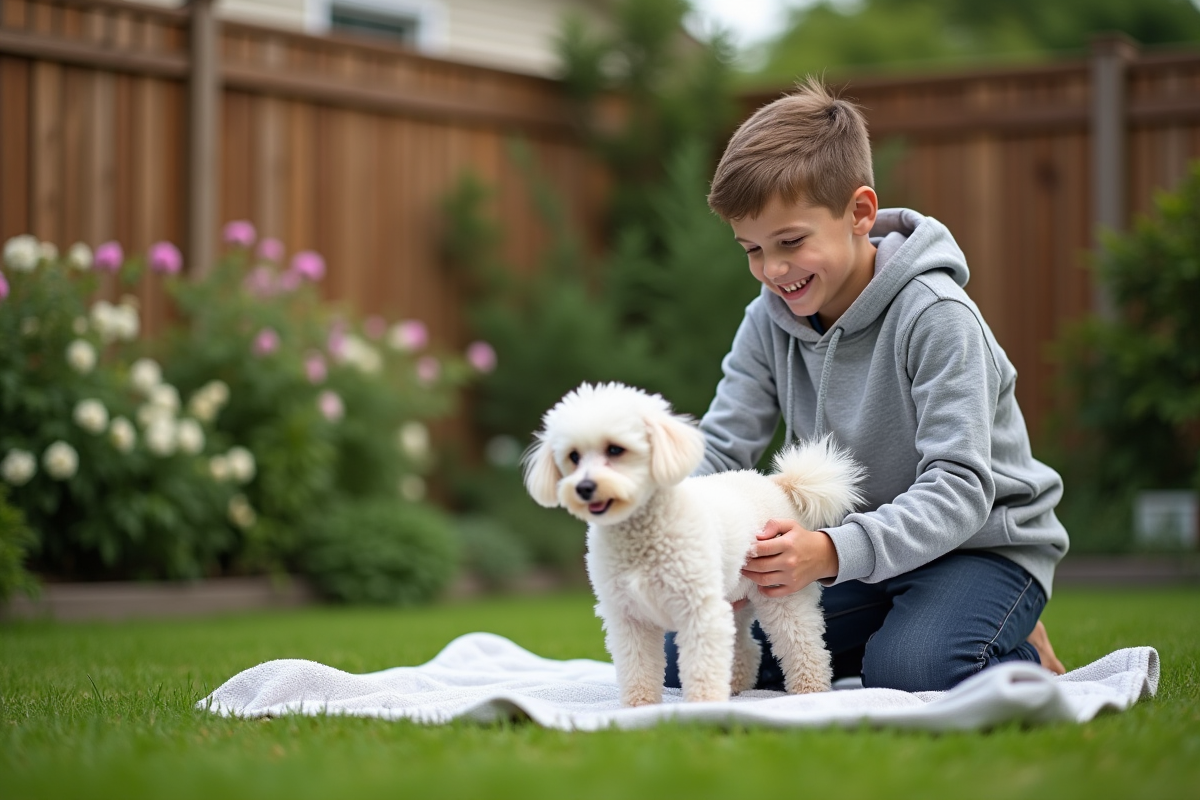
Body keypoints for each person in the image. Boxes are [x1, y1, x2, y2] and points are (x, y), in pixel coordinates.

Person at [664, 78, 1068, 693]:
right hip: (856, 558)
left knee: (913, 670)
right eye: (751, 249)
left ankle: (1001, 633)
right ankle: (933, 627)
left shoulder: (936, 315)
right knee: (692, 647)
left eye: (790, 242)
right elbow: (721, 450)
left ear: (860, 212)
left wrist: (827, 551)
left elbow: (960, 490)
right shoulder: (766, 320)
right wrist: (676, 528)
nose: (771, 271)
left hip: (980, 551)